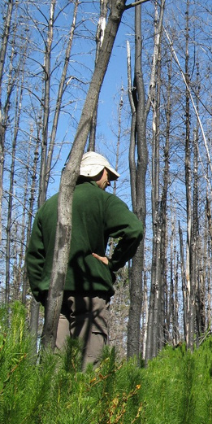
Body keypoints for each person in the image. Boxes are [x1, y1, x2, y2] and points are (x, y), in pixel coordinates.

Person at [25, 151, 144, 369]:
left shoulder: (50, 206)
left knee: (53, 372)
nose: (108, 181)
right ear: (97, 172)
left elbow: (34, 257)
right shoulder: (103, 200)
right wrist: (114, 263)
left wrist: (43, 293)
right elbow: (134, 229)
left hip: (56, 300)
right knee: (88, 374)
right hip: (90, 295)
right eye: (107, 175)